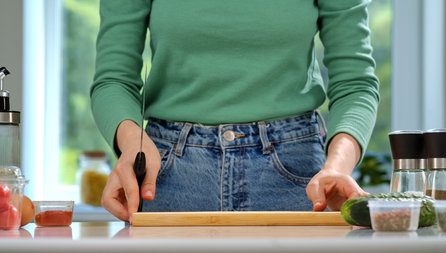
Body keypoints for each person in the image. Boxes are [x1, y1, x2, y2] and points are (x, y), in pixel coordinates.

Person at [91, 0, 379, 222]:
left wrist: (337, 168)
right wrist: (131, 144)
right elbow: (114, 80)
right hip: (168, 175)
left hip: (299, 178)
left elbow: (355, 84)